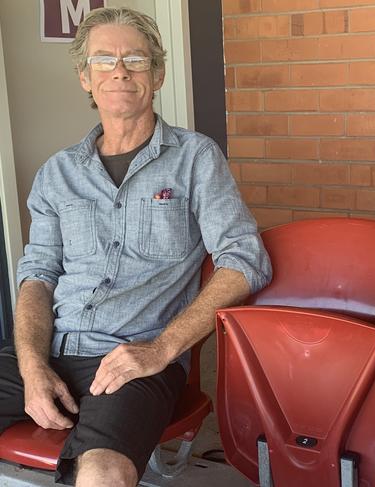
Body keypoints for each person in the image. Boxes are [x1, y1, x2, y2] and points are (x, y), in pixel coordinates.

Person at [0, 7, 271, 487]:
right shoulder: (57, 173)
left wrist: (160, 349)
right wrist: (32, 366)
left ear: (158, 73)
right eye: (103, 60)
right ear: (85, 77)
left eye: (136, 60)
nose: (120, 70)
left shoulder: (195, 158)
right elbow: (37, 276)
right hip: (52, 348)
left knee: (103, 474)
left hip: (136, 358)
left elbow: (244, 262)